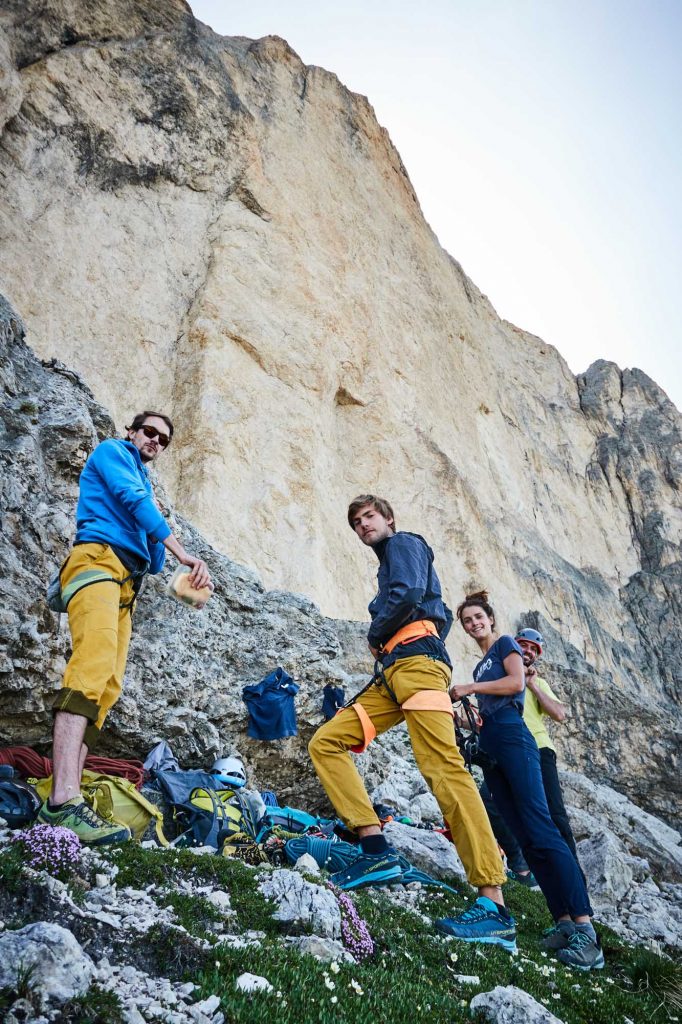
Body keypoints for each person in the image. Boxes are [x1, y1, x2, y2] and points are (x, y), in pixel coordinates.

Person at [308, 496, 516, 951]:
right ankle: (375, 849)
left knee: (444, 769)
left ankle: (493, 903)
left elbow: (406, 594)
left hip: (417, 667)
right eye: (356, 522)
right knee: (327, 741)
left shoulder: (405, 542)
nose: (363, 526)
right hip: (395, 675)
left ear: (389, 520)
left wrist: (374, 632)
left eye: (369, 517)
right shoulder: (389, 559)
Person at [38, 412, 212, 845]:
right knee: (91, 668)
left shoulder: (143, 486)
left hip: (124, 583)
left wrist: (158, 542)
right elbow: (132, 499)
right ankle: (62, 801)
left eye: (163, 440)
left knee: (109, 685)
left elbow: (152, 562)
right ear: (132, 432)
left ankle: (71, 794)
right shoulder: (113, 452)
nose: (154, 440)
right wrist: (184, 555)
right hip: (96, 563)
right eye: (149, 432)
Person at [447, 591, 604, 970]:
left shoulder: (504, 645)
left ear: (490, 618)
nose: (473, 624)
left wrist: (468, 689)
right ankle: (563, 924)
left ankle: (586, 930)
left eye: (477, 617)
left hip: (515, 739)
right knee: (527, 840)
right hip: (494, 743)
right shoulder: (483, 664)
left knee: (543, 829)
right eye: (467, 621)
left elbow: (515, 685)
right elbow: (488, 709)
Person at [480, 627, 583, 886]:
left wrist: (533, 684)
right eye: (523, 646)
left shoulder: (539, 682)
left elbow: (559, 714)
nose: (527, 651)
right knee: (489, 800)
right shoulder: (500, 678)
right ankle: (521, 865)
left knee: (555, 815)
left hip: (538, 749)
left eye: (533, 649)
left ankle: (573, 879)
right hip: (506, 749)